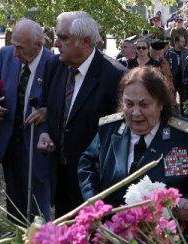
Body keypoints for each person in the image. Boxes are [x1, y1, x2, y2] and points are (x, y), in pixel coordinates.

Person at [78, 66, 188, 240]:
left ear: (161, 103)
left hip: (173, 241)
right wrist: (95, 202)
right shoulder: (109, 130)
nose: (136, 112)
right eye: (129, 104)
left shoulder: (187, 136)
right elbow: (86, 164)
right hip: (116, 237)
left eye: (144, 104)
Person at [32, 11, 126, 217]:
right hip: (60, 179)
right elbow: (46, 108)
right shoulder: (54, 66)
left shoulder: (115, 77)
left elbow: (119, 135)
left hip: (95, 186)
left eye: (63, 38)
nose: (56, 44)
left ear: (85, 42)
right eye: (57, 36)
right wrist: (45, 132)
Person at [0, 19, 55, 222]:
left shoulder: (53, 64)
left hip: (38, 147)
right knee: (14, 203)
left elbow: (63, 102)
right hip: (10, 144)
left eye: (20, 48)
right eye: (13, 45)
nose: (15, 53)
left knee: (38, 207)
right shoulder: (5, 55)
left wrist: (48, 110)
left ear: (38, 45)